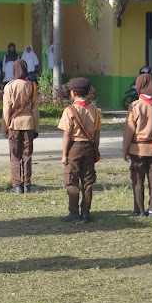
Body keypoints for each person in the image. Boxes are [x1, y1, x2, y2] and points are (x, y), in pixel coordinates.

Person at [122, 74, 152, 217]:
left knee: (138, 180)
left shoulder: (135, 106)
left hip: (138, 149)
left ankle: (139, 209)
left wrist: (125, 149)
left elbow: (129, 130)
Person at [58, 77, 101, 223]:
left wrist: (64, 155)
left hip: (74, 147)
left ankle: (73, 212)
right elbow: (97, 133)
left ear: (74, 93)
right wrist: (96, 149)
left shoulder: (69, 110)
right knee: (88, 181)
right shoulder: (94, 109)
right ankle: (86, 212)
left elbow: (67, 134)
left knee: (72, 180)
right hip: (89, 146)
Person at [3, 59, 39, 194]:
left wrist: (5, 127)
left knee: (14, 155)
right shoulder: (32, 86)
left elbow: (6, 110)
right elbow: (35, 110)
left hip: (14, 123)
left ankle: (17, 185)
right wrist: (36, 128)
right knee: (27, 155)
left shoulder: (10, 86)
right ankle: (27, 184)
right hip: (29, 123)